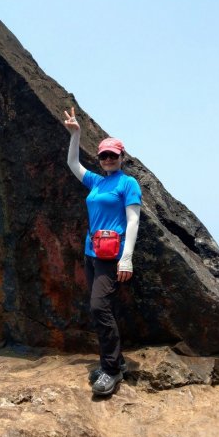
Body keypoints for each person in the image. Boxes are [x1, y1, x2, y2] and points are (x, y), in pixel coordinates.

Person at [64, 105, 142, 396]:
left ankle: (110, 371)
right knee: (100, 307)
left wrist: (127, 258)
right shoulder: (96, 182)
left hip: (112, 256)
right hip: (91, 253)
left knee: (99, 307)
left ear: (122, 157)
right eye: (104, 155)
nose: (108, 159)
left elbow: (133, 220)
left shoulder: (128, 183)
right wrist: (76, 134)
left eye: (113, 155)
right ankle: (117, 362)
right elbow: (73, 164)